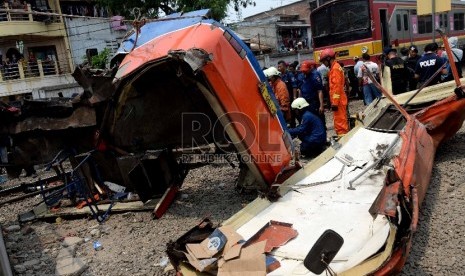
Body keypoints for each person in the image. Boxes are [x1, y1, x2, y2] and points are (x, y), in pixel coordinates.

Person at [319, 48, 349, 136]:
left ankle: (343, 139)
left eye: (324, 61)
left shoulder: (335, 69)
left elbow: (336, 87)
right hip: (339, 99)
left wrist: (335, 103)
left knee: (340, 123)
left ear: (328, 59)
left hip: (338, 101)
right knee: (340, 120)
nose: (324, 64)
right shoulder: (335, 68)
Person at [297, 60, 326, 128]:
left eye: (306, 70)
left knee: (319, 118)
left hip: (314, 102)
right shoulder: (301, 76)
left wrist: (321, 105)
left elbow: (320, 91)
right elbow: (300, 89)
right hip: (305, 102)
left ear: (310, 68)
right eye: (303, 70)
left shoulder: (315, 75)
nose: (304, 72)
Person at [278, 60, 298, 127]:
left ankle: (294, 127)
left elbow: (294, 86)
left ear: (284, 66)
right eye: (278, 67)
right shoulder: (280, 76)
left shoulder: (289, 74)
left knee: (293, 114)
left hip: (291, 97)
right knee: (288, 114)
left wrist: (294, 97)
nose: (278, 68)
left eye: (280, 66)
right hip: (285, 98)